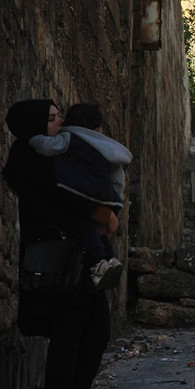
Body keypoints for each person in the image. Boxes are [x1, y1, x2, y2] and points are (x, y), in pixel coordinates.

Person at [4, 100, 113, 389]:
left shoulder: (44, 157)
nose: (59, 124)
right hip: (62, 264)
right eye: (52, 119)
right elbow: (64, 200)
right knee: (71, 337)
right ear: (36, 125)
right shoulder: (30, 160)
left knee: (92, 332)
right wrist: (99, 214)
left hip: (73, 262)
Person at [29, 103, 132, 288]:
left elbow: (48, 147)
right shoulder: (105, 148)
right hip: (107, 196)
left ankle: (99, 264)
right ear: (95, 127)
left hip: (82, 194)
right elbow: (118, 178)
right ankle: (110, 260)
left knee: (86, 227)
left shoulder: (70, 137)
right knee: (96, 232)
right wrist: (115, 203)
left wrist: (33, 139)